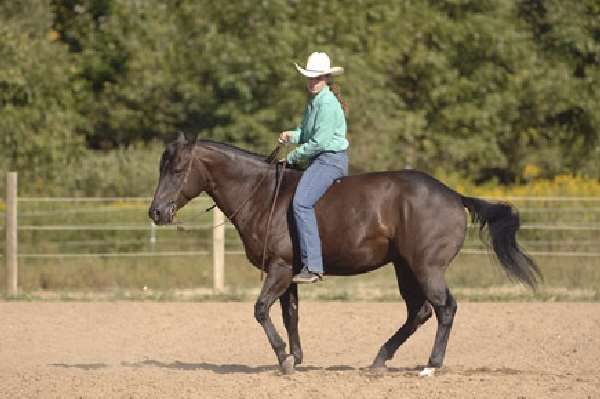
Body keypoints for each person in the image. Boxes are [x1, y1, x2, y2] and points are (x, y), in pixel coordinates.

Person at [279, 51, 349, 284]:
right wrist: (292, 136)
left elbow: (319, 142)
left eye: (316, 78)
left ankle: (314, 265)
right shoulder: (314, 102)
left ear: (326, 78)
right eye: (310, 77)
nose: (312, 81)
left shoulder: (327, 104)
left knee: (301, 202)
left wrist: (292, 157)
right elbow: (308, 135)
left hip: (330, 160)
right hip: (319, 158)